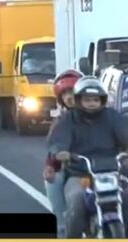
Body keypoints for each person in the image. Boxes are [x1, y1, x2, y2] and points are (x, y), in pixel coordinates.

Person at [47, 77, 128, 238]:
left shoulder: (113, 117)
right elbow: (58, 140)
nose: (92, 103)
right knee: (77, 200)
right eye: (87, 100)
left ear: (102, 100)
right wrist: (61, 151)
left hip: (113, 172)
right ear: (79, 100)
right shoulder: (67, 120)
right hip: (80, 174)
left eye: (95, 99)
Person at [43, 69, 83, 238]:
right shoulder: (60, 122)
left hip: (105, 167)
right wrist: (51, 165)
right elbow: (53, 148)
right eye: (65, 94)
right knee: (54, 180)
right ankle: (61, 228)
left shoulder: (101, 115)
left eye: (72, 92)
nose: (69, 97)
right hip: (77, 171)